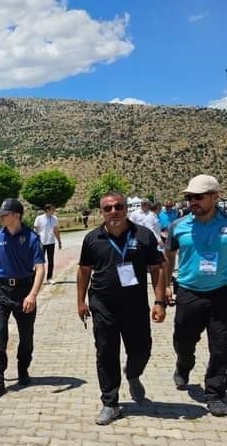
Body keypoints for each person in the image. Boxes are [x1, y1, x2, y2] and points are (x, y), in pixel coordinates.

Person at [77, 192, 166, 425]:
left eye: (118, 206)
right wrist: (80, 301)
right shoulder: (92, 238)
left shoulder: (143, 235)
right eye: (108, 208)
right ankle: (110, 402)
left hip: (135, 305)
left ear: (126, 208)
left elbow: (157, 269)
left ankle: (133, 374)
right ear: (102, 212)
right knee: (106, 352)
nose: (113, 211)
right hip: (102, 304)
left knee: (142, 349)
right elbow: (84, 271)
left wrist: (159, 302)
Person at [165, 174, 227, 417]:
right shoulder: (178, 226)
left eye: (198, 197)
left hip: (222, 293)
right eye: (189, 197)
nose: (193, 202)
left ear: (215, 197)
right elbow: (168, 256)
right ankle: (183, 365)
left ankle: (215, 393)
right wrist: (167, 285)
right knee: (183, 339)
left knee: (222, 347)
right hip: (189, 292)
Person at [0, 198, 45, 399]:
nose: (0, 217)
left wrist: (32, 294)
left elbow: (40, 268)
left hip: (24, 291)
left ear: (16, 215)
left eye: (4, 214)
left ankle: (23, 369)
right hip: (0, 291)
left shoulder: (31, 238)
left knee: (26, 336)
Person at [33, 203, 62, 284]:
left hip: (51, 242)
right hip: (41, 242)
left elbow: (56, 230)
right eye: (52, 209)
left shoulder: (54, 218)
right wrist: (35, 242)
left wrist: (59, 241)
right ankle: (36, 278)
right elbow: (35, 230)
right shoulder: (39, 218)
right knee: (39, 261)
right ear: (47, 210)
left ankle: (49, 278)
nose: (54, 211)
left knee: (51, 260)